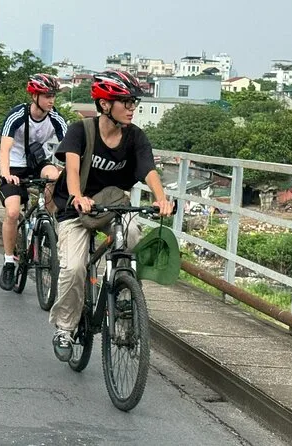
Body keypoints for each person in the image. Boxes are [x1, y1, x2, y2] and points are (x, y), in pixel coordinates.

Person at [48, 70, 174, 362]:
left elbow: (148, 170)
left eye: (134, 103)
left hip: (113, 207)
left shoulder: (135, 136)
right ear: (105, 104)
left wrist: (161, 198)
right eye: (125, 102)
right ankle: (65, 328)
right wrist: (78, 197)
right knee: (74, 268)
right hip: (76, 208)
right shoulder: (81, 131)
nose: (131, 108)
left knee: (132, 237)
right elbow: (72, 169)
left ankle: (121, 294)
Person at [0, 73, 67, 291]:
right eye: (47, 96)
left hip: (37, 162)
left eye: (53, 96)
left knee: (55, 176)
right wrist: (6, 174)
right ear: (34, 96)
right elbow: (4, 149)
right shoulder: (17, 115)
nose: (51, 100)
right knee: (12, 212)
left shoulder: (55, 117)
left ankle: (46, 220)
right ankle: (9, 261)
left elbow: (70, 146)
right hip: (14, 166)